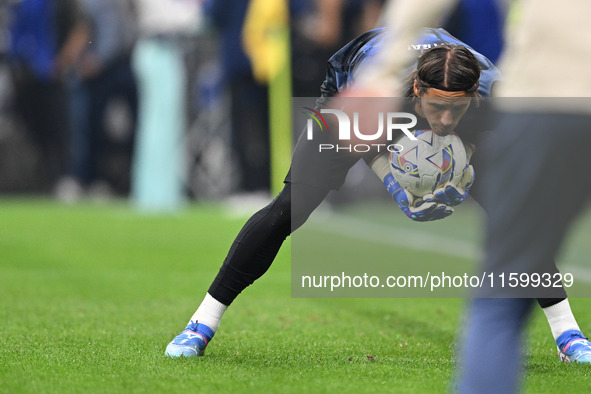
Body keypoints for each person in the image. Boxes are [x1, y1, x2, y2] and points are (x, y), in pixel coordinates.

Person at [164, 27, 590, 364]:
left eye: (455, 109)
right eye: (436, 107)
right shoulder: (379, 89)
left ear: (473, 98)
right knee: (289, 209)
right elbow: (360, 139)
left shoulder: (497, 95)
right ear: (418, 92)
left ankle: (568, 334)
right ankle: (201, 323)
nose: (444, 119)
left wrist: (466, 166)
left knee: (517, 216)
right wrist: (393, 179)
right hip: (352, 97)